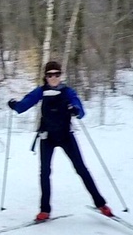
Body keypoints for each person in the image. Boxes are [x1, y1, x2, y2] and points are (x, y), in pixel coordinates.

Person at [7, 59, 113, 222]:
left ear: (60, 76)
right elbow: (23, 106)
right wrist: (14, 105)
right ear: (46, 77)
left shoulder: (67, 92)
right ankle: (44, 210)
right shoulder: (41, 91)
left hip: (65, 136)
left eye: (57, 74)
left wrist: (75, 109)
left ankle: (101, 205)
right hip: (47, 137)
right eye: (50, 75)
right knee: (45, 173)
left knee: (81, 169)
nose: (54, 78)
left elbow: (80, 110)